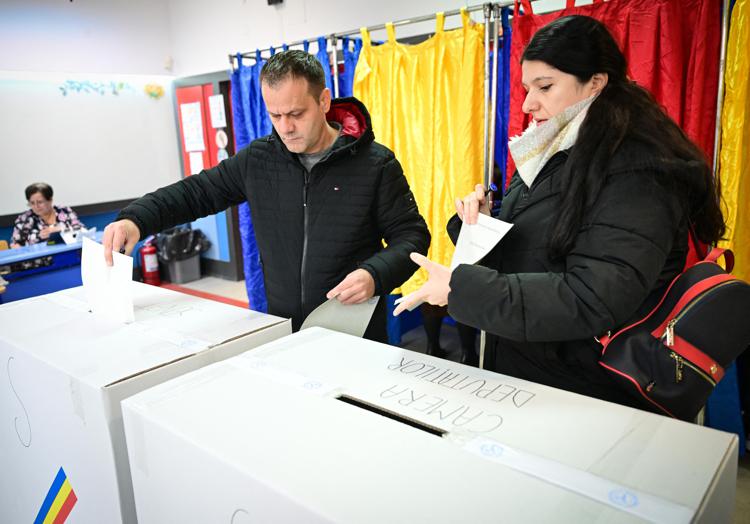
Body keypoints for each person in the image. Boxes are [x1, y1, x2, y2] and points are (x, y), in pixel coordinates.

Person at [394, 15, 725, 408]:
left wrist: (461, 288)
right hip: (533, 368)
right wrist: (482, 220)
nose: (529, 104)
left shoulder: (640, 170)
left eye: (545, 87)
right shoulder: (550, 149)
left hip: (590, 389)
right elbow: (536, 246)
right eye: (526, 88)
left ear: (596, 83)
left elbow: (593, 297)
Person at [103, 50, 430, 342]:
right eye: (275, 115)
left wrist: (374, 275)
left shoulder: (375, 163)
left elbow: (412, 236)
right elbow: (195, 192)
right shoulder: (259, 160)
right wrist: (137, 218)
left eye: (296, 114)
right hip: (283, 330)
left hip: (356, 333)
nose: (285, 127)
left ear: (324, 101)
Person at [11, 183, 85, 248]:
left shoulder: (64, 211)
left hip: (68, 255)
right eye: (32, 203)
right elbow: (14, 244)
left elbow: (82, 230)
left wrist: (61, 229)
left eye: (40, 202)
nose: (36, 206)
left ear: (50, 200)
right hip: (37, 261)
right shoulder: (24, 219)